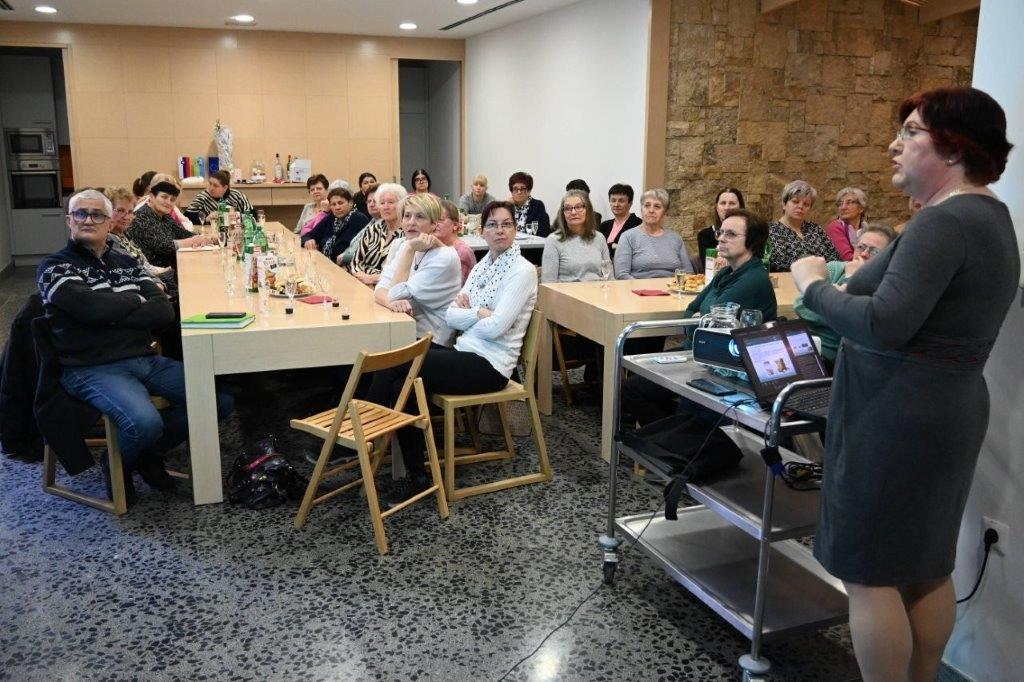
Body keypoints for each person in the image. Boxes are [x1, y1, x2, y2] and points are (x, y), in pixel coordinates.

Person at [790, 86, 1018, 682]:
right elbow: (879, 292)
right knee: (924, 565)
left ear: (954, 148)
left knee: (869, 573)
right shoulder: (987, 216)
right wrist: (843, 283)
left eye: (911, 132)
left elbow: (882, 324)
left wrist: (812, 284)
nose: (895, 144)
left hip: (896, 418)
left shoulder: (945, 224)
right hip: (945, 412)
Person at [37, 190, 233, 502]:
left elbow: (163, 312)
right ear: (69, 221)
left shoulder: (125, 262)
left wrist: (110, 310)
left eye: (97, 214)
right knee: (144, 422)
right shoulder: (55, 267)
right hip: (91, 367)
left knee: (217, 401)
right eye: (80, 214)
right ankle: (117, 463)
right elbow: (91, 309)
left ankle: (144, 454)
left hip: (143, 358)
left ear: (108, 222)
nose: (88, 220)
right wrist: (134, 299)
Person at [366, 200, 537, 505]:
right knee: (399, 378)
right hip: (464, 351)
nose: (499, 230)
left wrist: (472, 313)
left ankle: (364, 433)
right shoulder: (483, 266)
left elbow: (497, 327)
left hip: (491, 366)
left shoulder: (522, 270)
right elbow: (450, 316)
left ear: (515, 229)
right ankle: (416, 474)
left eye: (507, 224)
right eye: (492, 225)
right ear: (482, 231)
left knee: (399, 362)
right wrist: (479, 313)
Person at [621, 209, 776, 426]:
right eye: (721, 232)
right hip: (701, 354)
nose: (721, 238)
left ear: (752, 241)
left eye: (731, 234)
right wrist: (699, 319)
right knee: (634, 384)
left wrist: (699, 319)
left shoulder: (752, 279)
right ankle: (673, 433)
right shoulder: (727, 272)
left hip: (723, 366)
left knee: (634, 390)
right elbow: (692, 310)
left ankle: (676, 437)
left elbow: (702, 327)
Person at [793, 224, 896, 366]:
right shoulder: (835, 268)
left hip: (830, 358)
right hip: (800, 343)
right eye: (861, 247)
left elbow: (847, 322)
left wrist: (850, 280)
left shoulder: (883, 288)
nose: (864, 254)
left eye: (874, 252)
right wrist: (832, 302)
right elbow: (800, 306)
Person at [374, 194, 462, 346]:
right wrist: (391, 303)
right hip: (403, 330)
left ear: (434, 224)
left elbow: (394, 294)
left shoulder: (444, 257)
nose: (411, 222)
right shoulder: (406, 245)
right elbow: (379, 289)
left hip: (429, 342)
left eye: (420, 216)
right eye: (407, 216)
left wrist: (409, 250)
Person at [126, 178, 215, 268]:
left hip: (169, 267)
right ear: (152, 196)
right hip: (153, 272)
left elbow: (182, 233)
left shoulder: (165, 216)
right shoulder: (141, 216)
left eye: (172, 200)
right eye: (164, 197)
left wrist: (207, 239)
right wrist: (193, 241)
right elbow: (164, 246)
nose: (168, 202)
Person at [614, 189, 692, 279]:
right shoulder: (628, 237)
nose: (651, 210)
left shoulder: (676, 238)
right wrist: (641, 287)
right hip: (639, 286)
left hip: (672, 286)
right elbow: (622, 274)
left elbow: (689, 273)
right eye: (647, 205)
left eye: (657, 206)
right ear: (641, 209)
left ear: (665, 212)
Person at [767, 180, 840, 272]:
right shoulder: (769, 231)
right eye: (795, 201)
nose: (800, 206)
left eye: (806, 204)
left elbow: (835, 259)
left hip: (823, 278)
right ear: (784, 204)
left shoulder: (815, 229)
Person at [541, 190, 610, 284]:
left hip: (598, 290)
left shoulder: (599, 238)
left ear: (588, 210)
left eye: (578, 207)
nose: (573, 212)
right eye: (568, 208)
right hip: (567, 292)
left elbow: (609, 275)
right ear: (563, 213)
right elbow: (548, 282)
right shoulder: (553, 240)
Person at [347, 183, 407, 286]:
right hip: (362, 283)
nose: (386, 207)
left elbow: (402, 271)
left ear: (402, 205)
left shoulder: (407, 234)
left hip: (389, 287)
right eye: (382, 203)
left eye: (391, 202)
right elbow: (356, 262)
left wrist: (373, 279)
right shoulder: (373, 230)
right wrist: (364, 278)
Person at [301, 187, 371, 265]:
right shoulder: (331, 217)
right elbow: (308, 235)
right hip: (323, 262)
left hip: (345, 267)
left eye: (340, 203)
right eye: (333, 204)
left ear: (350, 203)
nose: (337, 207)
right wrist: (308, 240)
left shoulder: (359, 219)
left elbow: (351, 250)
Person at [696, 187, 745, 268]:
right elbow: (709, 265)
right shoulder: (705, 235)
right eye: (723, 203)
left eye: (732, 203)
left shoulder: (750, 232)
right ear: (717, 207)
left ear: (740, 207)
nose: (727, 207)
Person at [181, 170, 254, 224]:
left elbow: (253, 216)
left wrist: (236, 216)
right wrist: (207, 218)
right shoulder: (203, 196)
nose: (211, 188)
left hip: (235, 232)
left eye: (215, 186)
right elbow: (187, 218)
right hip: (210, 232)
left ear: (225, 187)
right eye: (210, 184)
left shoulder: (237, 195)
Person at [824, 187, 869, 261]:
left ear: (861, 208)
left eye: (849, 202)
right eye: (840, 204)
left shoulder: (867, 228)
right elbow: (847, 258)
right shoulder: (835, 227)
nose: (843, 207)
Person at [437, 199, 477, 282]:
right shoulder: (433, 247)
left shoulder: (463, 252)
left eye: (440, 219)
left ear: (455, 225)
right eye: (432, 219)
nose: (435, 223)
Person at [599, 183, 642, 249]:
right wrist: (614, 245)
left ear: (630, 203)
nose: (616, 204)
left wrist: (610, 246)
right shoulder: (604, 225)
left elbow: (633, 248)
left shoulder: (638, 224)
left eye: (621, 201)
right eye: (613, 200)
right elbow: (597, 247)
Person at [508, 171, 550, 237]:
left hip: (531, 243)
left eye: (523, 189)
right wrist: (506, 206)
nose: (519, 192)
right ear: (511, 191)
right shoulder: (507, 206)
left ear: (529, 191)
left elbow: (544, 232)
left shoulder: (537, 206)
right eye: (515, 189)